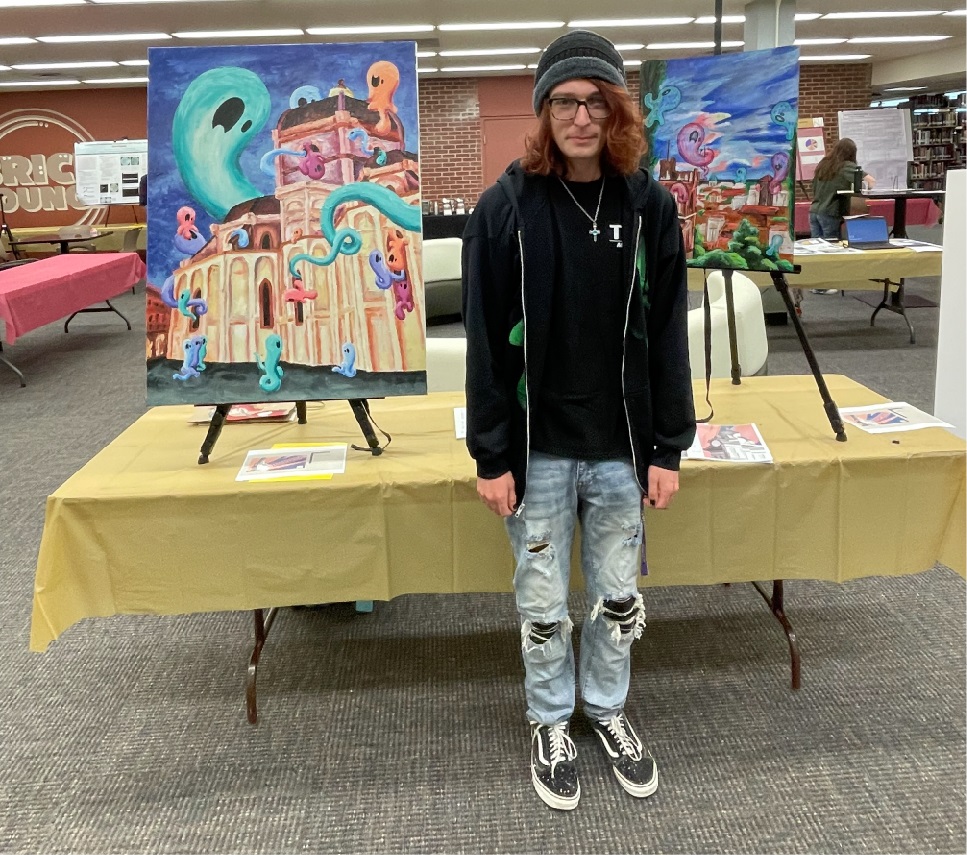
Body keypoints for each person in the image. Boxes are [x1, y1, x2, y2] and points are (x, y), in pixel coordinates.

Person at [461, 30, 696, 811]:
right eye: (564, 100)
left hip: (622, 446)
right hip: (538, 448)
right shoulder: (503, 209)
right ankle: (550, 718)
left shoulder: (648, 206)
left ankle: (606, 707)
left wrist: (669, 443)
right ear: (542, 111)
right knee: (540, 598)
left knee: (617, 592)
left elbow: (666, 332)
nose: (581, 116)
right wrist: (490, 455)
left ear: (617, 110)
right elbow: (486, 345)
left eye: (597, 101)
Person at [808, 137, 876, 294]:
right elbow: (870, 181)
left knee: (816, 250)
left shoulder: (823, 164)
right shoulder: (847, 166)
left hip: (814, 211)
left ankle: (815, 283)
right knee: (830, 249)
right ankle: (826, 284)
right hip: (830, 212)